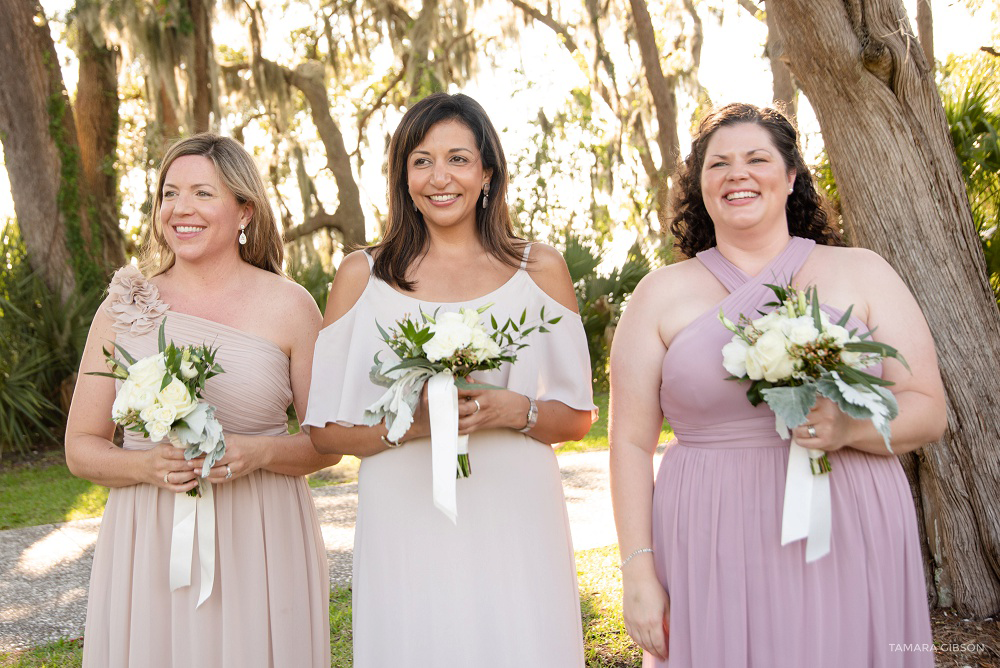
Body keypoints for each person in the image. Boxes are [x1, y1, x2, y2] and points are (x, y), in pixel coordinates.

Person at [609, 103, 946, 668]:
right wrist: (638, 570)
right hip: (710, 532)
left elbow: (927, 410)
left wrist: (848, 427)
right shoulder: (658, 295)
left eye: (756, 158)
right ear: (700, 186)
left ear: (791, 177)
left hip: (849, 521)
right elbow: (628, 443)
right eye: (718, 164)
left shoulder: (863, 271)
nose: (736, 174)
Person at [305, 92, 595, 666]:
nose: (441, 177)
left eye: (458, 158)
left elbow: (579, 417)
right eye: (421, 160)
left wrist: (517, 411)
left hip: (516, 512)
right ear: (402, 177)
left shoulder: (538, 269)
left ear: (487, 171)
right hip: (405, 515)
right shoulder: (363, 276)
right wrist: (409, 425)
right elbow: (324, 432)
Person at [65, 134, 340, 668]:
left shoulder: (291, 306)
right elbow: (80, 448)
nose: (180, 208)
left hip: (262, 532)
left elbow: (327, 443)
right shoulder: (123, 306)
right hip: (149, 532)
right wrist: (145, 465)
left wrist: (258, 453)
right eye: (169, 193)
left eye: (201, 193)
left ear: (244, 210)